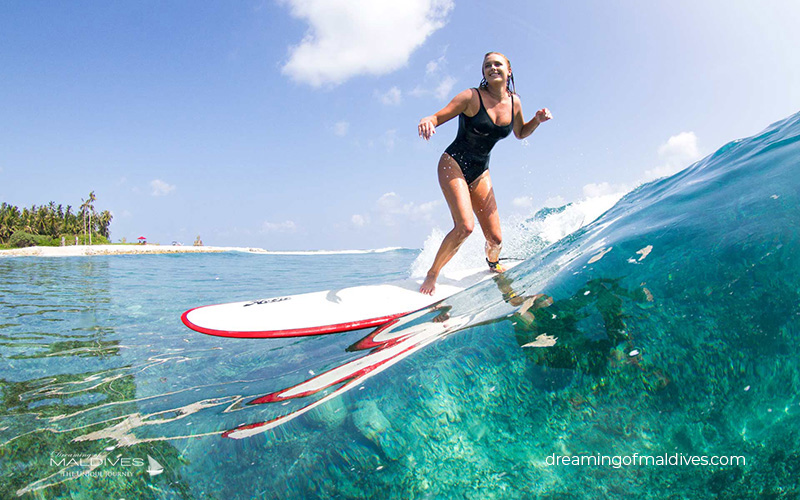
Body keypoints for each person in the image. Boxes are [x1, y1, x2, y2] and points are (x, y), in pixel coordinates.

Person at [417, 51, 552, 295]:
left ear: (508, 70)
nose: (492, 68)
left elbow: (520, 133)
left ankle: (492, 262)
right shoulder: (471, 97)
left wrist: (537, 120)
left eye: (498, 64)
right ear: (483, 72)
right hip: (453, 164)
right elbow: (438, 116)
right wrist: (428, 120)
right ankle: (433, 273)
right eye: (487, 65)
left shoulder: (515, 102)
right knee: (465, 227)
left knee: (496, 240)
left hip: (481, 171)